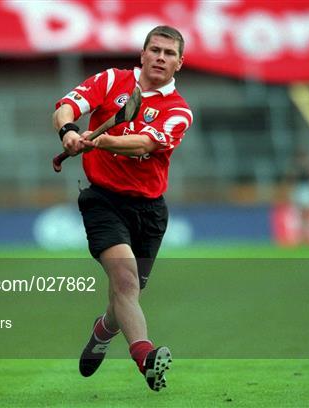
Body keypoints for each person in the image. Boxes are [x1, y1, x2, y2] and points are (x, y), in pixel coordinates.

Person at [52, 25, 192, 392]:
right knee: (126, 279)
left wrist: (98, 141)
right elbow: (68, 105)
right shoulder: (111, 80)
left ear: (179, 63)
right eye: (155, 50)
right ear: (143, 54)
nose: (161, 57)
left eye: (169, 53)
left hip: (149, 210)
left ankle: (103, 331)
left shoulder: (179, 111)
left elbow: (143, 143)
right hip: (103, 200)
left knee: (125, 296)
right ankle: (146, 357)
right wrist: (68, 130)